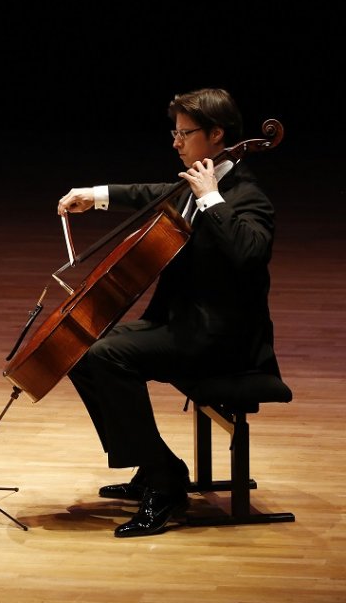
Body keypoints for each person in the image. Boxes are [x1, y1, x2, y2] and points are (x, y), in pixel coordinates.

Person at [56, 88, 279, 537]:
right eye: (173, 132)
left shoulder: (246, 196)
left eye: (185, 133)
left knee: (105, 356)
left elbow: (250, 254)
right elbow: (150, 192)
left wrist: (211, 200)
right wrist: (93, 195)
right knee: (78, 350)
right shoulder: (194, 183)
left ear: (217, 135)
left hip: (222, 340)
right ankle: (155, 464)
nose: (175, 142)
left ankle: (164, 480)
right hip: (181, 325)